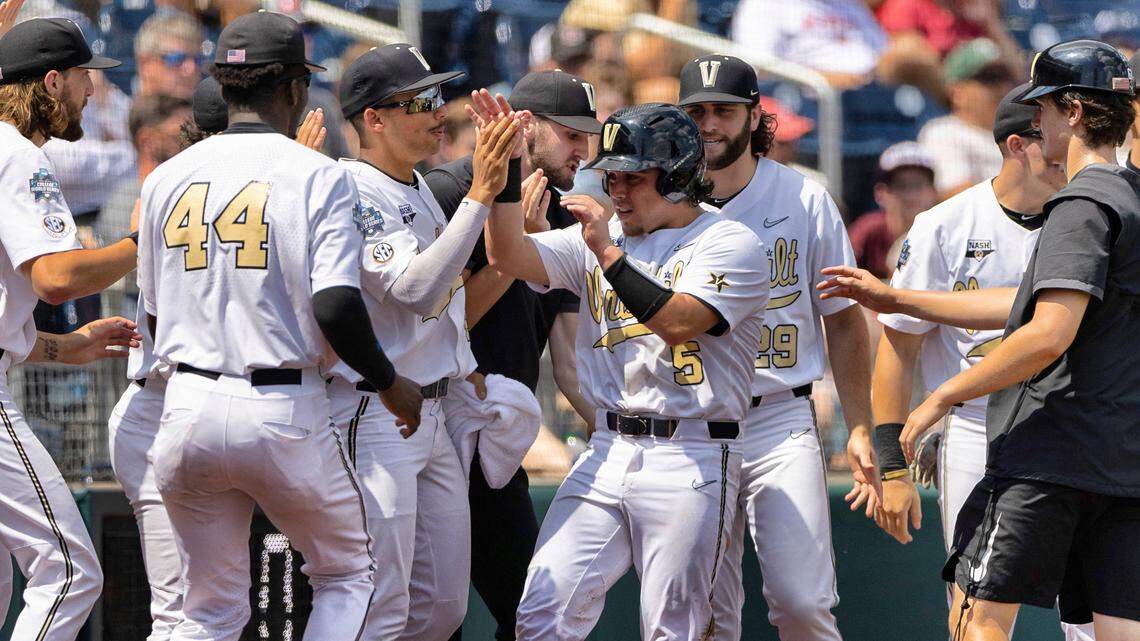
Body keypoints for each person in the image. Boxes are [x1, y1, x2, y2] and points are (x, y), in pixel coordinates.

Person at [820, 39, 1140, 641]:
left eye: (1044, 107)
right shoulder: (1131, 197)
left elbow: (1045, 329)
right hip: (1109, 439)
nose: (1038, 122)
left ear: (1071, 114)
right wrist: (901, 300)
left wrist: (939, 397)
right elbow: (1028, 303)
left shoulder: (1080, 205)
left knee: (979, 616)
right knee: (1111, 627)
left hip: (1046, 437)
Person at [135, 11, 423, 641]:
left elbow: (151, 313)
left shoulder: (163, 178)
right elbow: (336, 306)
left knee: (207, 612)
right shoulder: (314, 171)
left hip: (183, 401)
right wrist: (388, 380)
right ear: (294, 88)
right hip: (279, 406)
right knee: (349, 575)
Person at [487, 102, 770, 640]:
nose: (617, 190)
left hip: (693, 451)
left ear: (680, 174)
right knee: (541, 614)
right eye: (611, 176)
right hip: (607, 448)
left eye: (633, 177)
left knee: (676, 630)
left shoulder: (730, 242)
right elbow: (507, 255)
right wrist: (503, 179)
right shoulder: (602, 235)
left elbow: (679, 321)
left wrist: (606, 251)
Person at [676, 53, 874, 641]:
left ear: (754, 116)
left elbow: (842, 319)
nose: (708, 124)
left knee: (803, 603)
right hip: (692, 418)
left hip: (779, 415)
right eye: (696, 112)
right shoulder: (660, 200)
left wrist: (861, 423)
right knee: (705, 614)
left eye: (723, 111)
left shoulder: (804, 199)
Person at [330, 43, 518, 641]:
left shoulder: (411, 186)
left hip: (434, 408)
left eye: (438, 96)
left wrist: (463, 367)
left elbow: (441, 299)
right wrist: (481, 195)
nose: (439, 112)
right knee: (379, 603)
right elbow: (413, 289)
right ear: (373, 119)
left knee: (441, 608)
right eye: (418, 101)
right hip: (377, 408)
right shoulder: (352, 188)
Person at [424, 69, 600, 641]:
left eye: (589, 135)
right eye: (571, 134)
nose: (584, 150)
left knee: (531, 615)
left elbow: (570, 363)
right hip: (434, 434)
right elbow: (436, 328)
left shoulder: (569, 213)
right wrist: (513, 248)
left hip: (497, 450)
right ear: (525, 127)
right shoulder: (451, 190)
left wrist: (628, 435)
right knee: (428, 616)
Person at [0, 16, 149, 640]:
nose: (95, 92)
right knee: (68, 573)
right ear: (53, 82)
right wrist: (143, 244)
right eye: (87, 77)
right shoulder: (16, 155)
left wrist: (68, 346)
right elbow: (57, 278)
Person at [918, 38, 1015, 198]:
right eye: (989, 78)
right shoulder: (943, 132)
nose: (1002, 87)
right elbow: (959, 196)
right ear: (957, 93)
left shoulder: (1022, 133)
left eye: (1005, 77)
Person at [847, 141, 938, 279]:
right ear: (880, 192)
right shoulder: (867, 231)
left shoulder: (943, 233)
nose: (910, 194)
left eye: (918, 185)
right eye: (901, 185)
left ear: (933, 191)